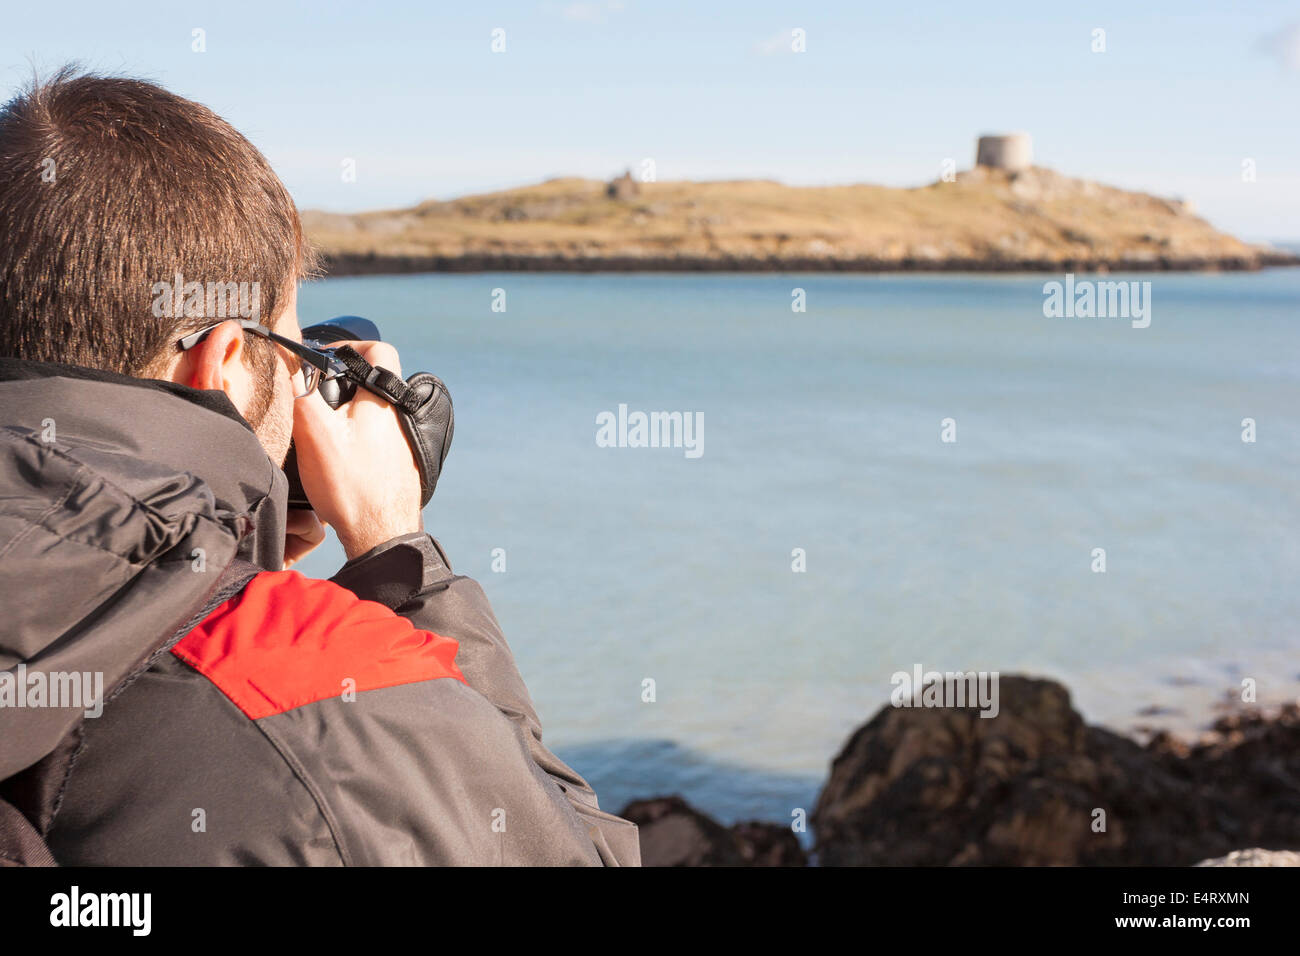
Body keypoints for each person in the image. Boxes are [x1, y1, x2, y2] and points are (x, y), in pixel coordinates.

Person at [0, 68, 639, 866]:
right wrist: (397, 555)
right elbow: (567, 848)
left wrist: (211, 566)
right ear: (224, 364)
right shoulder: (325, 715)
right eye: (291, 348)